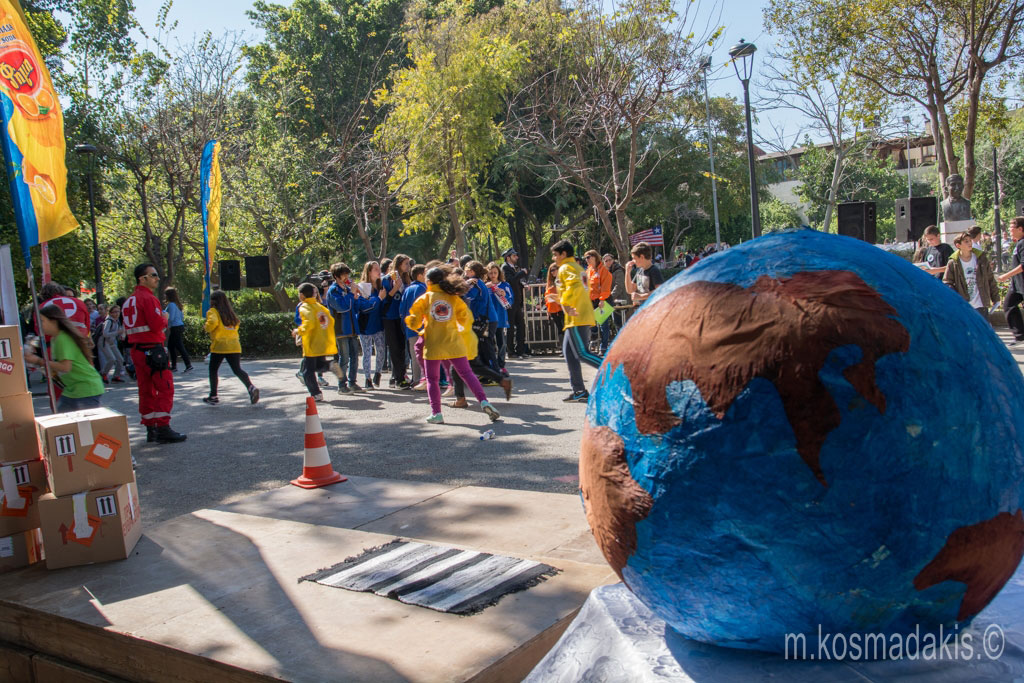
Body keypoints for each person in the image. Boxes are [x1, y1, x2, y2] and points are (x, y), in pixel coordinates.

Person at [405, 266, 500, 424]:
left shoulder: (425, 298)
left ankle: (437, 413)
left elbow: (413, 322)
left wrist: (416, 325)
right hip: (454, 343)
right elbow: (466, 318)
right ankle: (484, 401)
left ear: (428, 282)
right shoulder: (453, 298)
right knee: (467, 374)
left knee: (432, 379)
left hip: (433, 344)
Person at [124, 263, 186, 443]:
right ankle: (163, 428)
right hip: (152, 350)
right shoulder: (148, 299)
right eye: (153, 275)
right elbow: (157, 325)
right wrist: (165, 318)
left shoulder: (130, 300)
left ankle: (150, 429)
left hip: (137, 350)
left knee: (146, 390)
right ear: (142, 278)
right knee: (165, 388)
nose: (157, 278)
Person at [23, 304, 105, 412]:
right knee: (63, 420)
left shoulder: (62, 338)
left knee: (76, 422)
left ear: (53, 321)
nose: (38, 325)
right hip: (73, 389)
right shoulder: (55, 338)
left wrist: (38, 361)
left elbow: (65, 367)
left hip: (85, 389)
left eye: (42, 321)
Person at [551, 240, 601, 402]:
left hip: (576, 316)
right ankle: (579, 390)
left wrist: (565, 304)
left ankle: (612, 368)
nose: (554, 258)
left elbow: (575, 286)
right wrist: (561, 299)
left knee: (581, 353)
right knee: (569, 353)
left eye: (555, 255)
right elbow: (579, 287)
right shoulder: (578, 267)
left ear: (563, 254)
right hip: (580, 314)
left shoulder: (565, 267)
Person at [203, 290, 260, 405]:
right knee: (237, 369)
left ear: (213, 301)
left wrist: (206, 327)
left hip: (220, 345)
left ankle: (213, 395)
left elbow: (212, 322)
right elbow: (236, 325)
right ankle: (251, 387)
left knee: (213, 370)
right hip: (234, 345)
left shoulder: (213, 311)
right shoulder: (230, 313)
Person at [292, 282, 344, 401]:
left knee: (307, 372)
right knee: (318, 365)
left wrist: (298, 331)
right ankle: (330, 365)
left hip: (312, 343)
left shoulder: (304, 307)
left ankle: (316, 393)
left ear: (301, 295)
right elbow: (331, 321)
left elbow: (308, 323)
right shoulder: (321, 307)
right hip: (323, 342)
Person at [325, 263, 364, 394]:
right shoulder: (333, 291)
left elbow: (354, 308)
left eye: (347, 274)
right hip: (341, 329)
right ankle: (342, 385)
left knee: (355, 357)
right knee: (344, 358)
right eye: (343, 274)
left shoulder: (347, 289)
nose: (346, 277)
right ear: (336, 276)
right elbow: (342, 307)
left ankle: (353, 382)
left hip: (352, 328)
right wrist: (351, 294)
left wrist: (356, 297)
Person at [944, 231, 999, 321]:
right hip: (964, 304)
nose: (970, 243)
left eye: (970, 240)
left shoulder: (980, 258)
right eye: (966, 241)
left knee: (982, 327)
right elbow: (947, 282)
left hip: (980, 302)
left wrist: (995, 297)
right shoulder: (953, 262)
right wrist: (956, 297)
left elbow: (990, 278)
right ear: (958, 245)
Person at [381, 255, 412, 388]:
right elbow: (384, 300)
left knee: (401, 348)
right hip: (390, 316)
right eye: (406, 264)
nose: (408, 266)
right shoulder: (387, 279)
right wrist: (395, 288)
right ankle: (399, 379)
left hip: (401, 316)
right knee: (394, 348)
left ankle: (397, 377)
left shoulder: (406, 278)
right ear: (399, 264)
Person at [357, 260, 387, 388]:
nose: (379, 271)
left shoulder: (382, 286)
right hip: (365, 325)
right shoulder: (363, 287)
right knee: (367, 352)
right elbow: (366, 306)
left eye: (379, 268)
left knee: (381, 350)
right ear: (369, 272)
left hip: (379, 324)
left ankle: (378, 373)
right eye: (375, 269)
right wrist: (379, 298)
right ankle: (367, 378)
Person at [400, 264, 428, 390]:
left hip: (410, 328)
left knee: (414, 355)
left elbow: (402, 309)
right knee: (425, 355)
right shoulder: (423, 288)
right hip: (423, 328)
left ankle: (416, 380)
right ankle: (425, 380)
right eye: (426, 273)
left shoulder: (408, 289)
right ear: (420, 275)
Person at [998, 217, 1024, 344]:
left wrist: (1006, 276)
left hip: (1021, 283)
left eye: (1012, 227)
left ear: (1020, 229)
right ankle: (1019, 336)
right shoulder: (1019, 243)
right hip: (1017, 284)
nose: (1009, 230)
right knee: (1008, 305)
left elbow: (1023, 265)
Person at [501, 248, 529, 358]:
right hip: (510, 302)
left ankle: (520, 351)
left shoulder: (514, 268)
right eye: (514, 255)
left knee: (521, 326)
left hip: (517, 302)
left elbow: (515, 282)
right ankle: (511, 352)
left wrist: (523, 285)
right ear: (508, 257)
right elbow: (510, 281)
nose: (516, 257)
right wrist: (522, 273)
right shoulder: (505, 267)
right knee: (511, 327)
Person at [486, 261, 513, 370]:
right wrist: (486, 287)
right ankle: (491, 364)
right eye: (490, 273)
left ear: (499, 273)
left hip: (501, 317)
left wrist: (504, 295)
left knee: (502, 343)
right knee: (489, 343)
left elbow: (510, 301)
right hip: (488, 318)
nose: (493, 275)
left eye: (495, 273)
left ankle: (501, 365)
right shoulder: (484, 285)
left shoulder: (505, 285)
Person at [584, 249, 612, 354]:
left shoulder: (603, 270)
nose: (586, 260)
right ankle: (594, 335)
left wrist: (602, 299)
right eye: (585, 258)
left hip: (603, 300)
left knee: (604, 325)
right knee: (590, 322)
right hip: (591, 300)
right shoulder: (588, 270)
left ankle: (603, 347)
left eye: (588, 257)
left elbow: (606, 286)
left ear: (594, 257)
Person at [163, 287, 193, 373]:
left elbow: (171, 317)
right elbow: (181, 316)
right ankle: (175, 366)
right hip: (179, 326)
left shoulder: (171, 305)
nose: (165, 296)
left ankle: (187, 365)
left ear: (168, 295)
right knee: (172, 346)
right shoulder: (177, 304)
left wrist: (166, 323)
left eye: (165, 295)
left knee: (179, 346)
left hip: (175, 327)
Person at [624, 241, 663, 305]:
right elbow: (630, 290)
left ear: (642, 257)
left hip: (653, 307)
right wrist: (627, 272)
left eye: (634, 258)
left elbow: (660, 291)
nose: (633, 261)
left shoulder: (654, 270)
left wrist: (641, 296)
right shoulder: (639, 270)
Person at [98, 303, 127, 383]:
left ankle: (116, 376)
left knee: (120, 359)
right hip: (104, 342)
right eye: (114, 312)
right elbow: (105, 333)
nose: (117, 314)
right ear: (110, 313)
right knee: (111, 359)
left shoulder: (117, 321)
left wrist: (120, 336)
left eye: (118, 312)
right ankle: (103, 373)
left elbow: (116, 333)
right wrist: (117, 332)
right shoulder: (109, 321)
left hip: (111, 342)